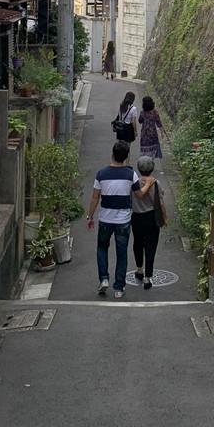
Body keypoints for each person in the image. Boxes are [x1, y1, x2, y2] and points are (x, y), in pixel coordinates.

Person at [86, 140, 154, 298]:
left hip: (105, 219)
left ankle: (103, 278)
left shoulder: (101, 174)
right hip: (123, 221)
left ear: (112, 154)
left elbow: (95, 197)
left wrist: (90, 216)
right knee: (122, 253)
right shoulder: (131, 174)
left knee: (102, 248)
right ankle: (119, 288)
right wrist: (148, 184)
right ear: (126, 157)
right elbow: (139, 194)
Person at [131, 156, 167, 290]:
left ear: (139, 169)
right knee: (151, 247)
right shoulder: (156, 183)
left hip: (136, 217)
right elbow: (161, 203)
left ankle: (139, 269)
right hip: (151, 217)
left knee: (138, 243)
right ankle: (148, 277)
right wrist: (165, 218)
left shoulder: (134, 183)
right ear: (152, 169)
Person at [138, 95, 165, 160]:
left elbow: (140, 121)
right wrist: (162, 133)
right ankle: (150, 163)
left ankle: (144, 164)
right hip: (153, 134)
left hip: (144, 134)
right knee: (152, 151)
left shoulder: (142, 113)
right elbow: (159, 123)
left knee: (144, 151)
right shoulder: (155, 112)